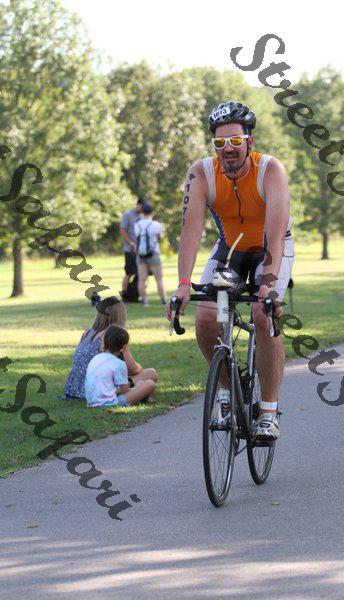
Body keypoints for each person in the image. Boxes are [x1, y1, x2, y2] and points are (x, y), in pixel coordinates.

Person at [166, 101, 294, 441]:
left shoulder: (270, 170)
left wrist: (267, 286)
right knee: (208, 318)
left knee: (263, 314)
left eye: (236, 141)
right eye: (220, 143)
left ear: (249, 142)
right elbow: (190, 232)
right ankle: (228, 388)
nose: (228, 149)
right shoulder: (200, 173)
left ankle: (268, 411)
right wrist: (182, 284)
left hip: (271, 248)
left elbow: (275, 235)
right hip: (231, 250)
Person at [62, 296, 157, 400]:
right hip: (96, 390)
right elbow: (133, 369)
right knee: (150, 374)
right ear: (120, 315)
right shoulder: (112, 334)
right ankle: (128, 390)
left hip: (75, 389)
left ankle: (129, 388)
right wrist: (140, 370)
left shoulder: (87, 332)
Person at [85, 326, 156, 407]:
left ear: (105, 342)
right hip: (110, 403)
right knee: (150, 384)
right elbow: (125, 391)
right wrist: (137, 387)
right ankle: (141, 396)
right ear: (124, 347)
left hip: (91, 402)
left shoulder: (96, 358)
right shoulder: (119, 363)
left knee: (140, 384)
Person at [134, 203, 167, 306]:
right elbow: (159, 238)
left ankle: (144, 301)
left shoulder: (137, 224)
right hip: (153, 253)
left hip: (141, 253)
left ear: (142, 212)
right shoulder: (156, 224)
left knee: (142, 279)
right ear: (152, 213)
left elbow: (136, 237)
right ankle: (163, 300)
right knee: (159, 279)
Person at [120, 199, 144, 302]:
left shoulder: (142, 215)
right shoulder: (128, 214)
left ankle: (135, 296)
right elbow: (122, 230)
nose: (142, 209)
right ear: (137, 205)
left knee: (141, 273)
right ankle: (124, 296)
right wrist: (131, 243)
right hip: (129, 249)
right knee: (129, 273)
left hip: (140, 250)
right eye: (141, 207)